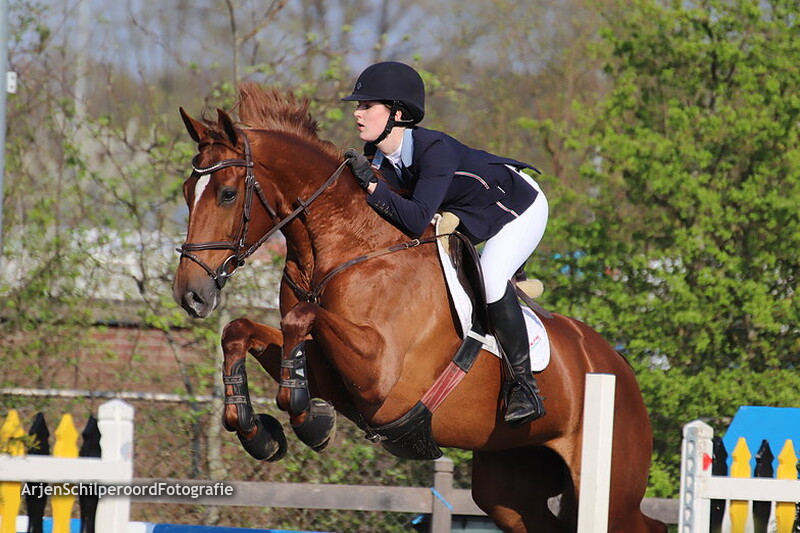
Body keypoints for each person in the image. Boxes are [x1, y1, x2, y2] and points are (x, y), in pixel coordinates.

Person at [342, 61, 549, 426]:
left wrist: (372, 187)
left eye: (367, 106)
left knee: (490, 277)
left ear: (398, 114)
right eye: (358, 106)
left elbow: (415, 218)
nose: (357, 113)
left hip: (517, 205)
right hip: (470, 210)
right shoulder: (375, 154)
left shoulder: (433, 149)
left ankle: (524, 386)